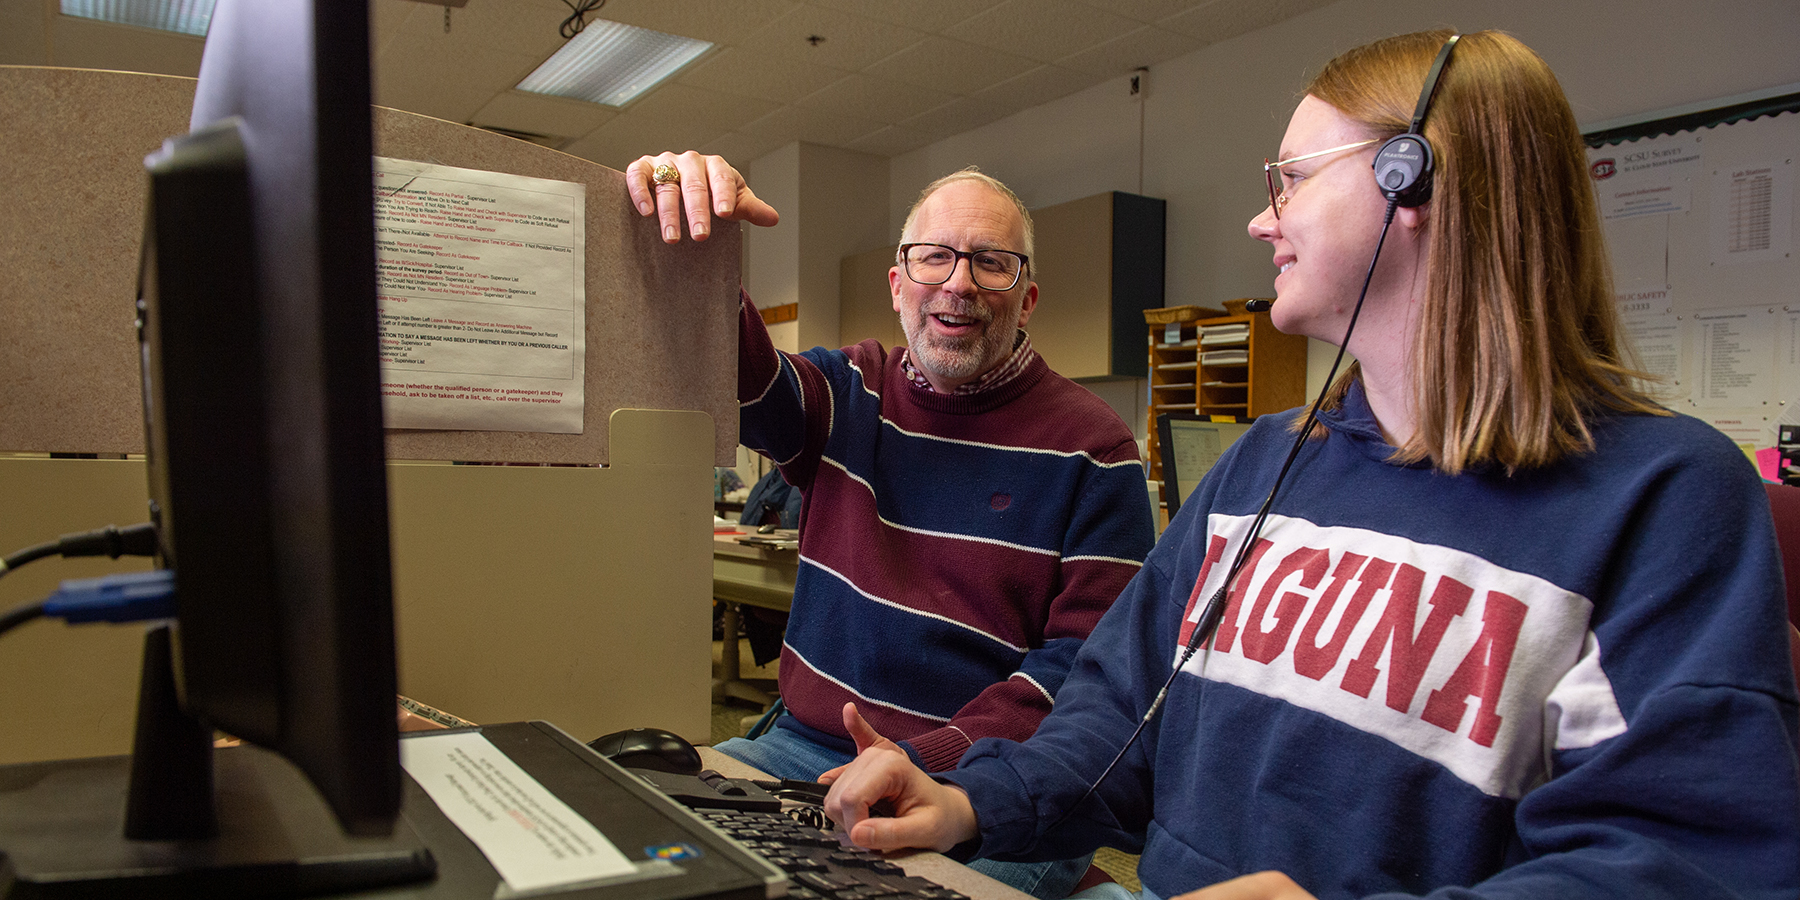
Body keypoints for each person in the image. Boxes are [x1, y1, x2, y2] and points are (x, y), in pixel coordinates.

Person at [813, 29, 1800, 900]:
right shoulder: (1261, 468)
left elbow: (1680, 860)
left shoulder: (1664, 498)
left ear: (1410, 179)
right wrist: (966, 800)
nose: (1261, 217)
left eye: (1291, 177)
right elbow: (1116, 717)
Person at [627, 152, 1157, 898]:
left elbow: (1083, 674)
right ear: (898, 284)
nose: (959, 282)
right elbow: (749, 384)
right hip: (804, 750)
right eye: (933, 257)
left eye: (991, 263)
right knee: (665, 869)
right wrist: (702, 245)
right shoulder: (850, 392)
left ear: (1028, 297)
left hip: (986, 782)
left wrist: (936, 758)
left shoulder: (1096, 449)